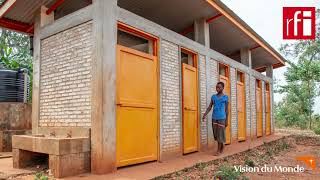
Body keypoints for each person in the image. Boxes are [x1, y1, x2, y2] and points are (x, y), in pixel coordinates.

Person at [202, 82, 229, 156]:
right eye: (216, 87)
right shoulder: (213, 97)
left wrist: (226, 120)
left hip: (222, 118)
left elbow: (227, 110)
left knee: (221, 134)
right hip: (214, 118)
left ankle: (219, 150)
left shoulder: (225, 97)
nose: (217, 89)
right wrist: (205, 114)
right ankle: (222, 145)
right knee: (216, 134)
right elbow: (210, 106)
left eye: (219, 87)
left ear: (223, 88)